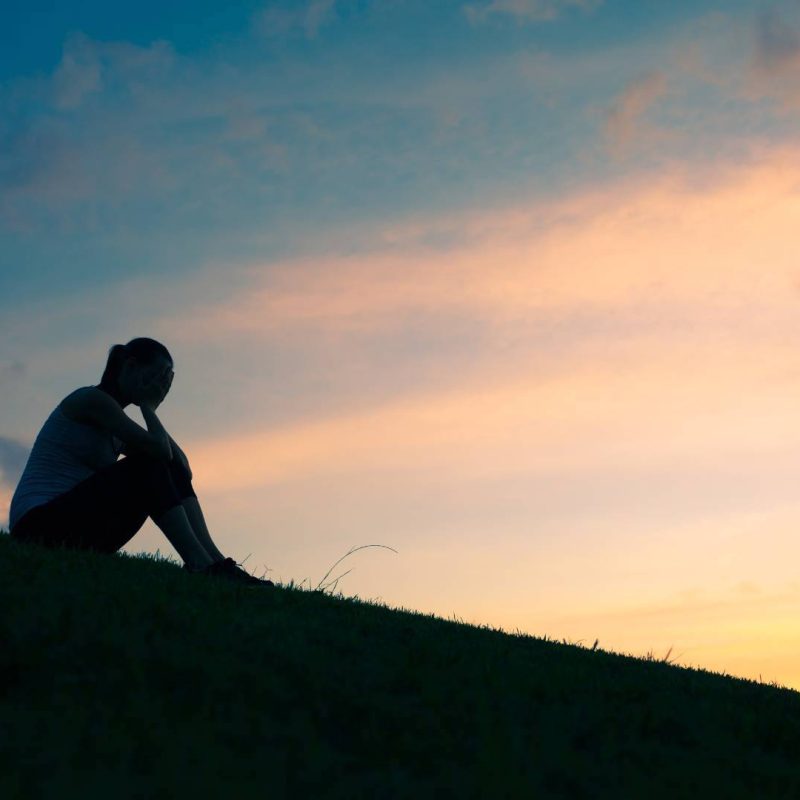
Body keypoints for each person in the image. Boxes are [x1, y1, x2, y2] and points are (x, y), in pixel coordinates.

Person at [8, 337, 272, 587]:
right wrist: (148, 407)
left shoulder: (117, 426)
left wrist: (150, 409)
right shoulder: (91, 400)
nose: (159, 387)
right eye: (154, 377)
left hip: (76, 528)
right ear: (130, 366)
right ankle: (200, 565)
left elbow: (180, 467)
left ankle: (215, 562)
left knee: (158, 463)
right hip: (36, 528)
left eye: (164, 382)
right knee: (149, 464)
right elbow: (158, 453)